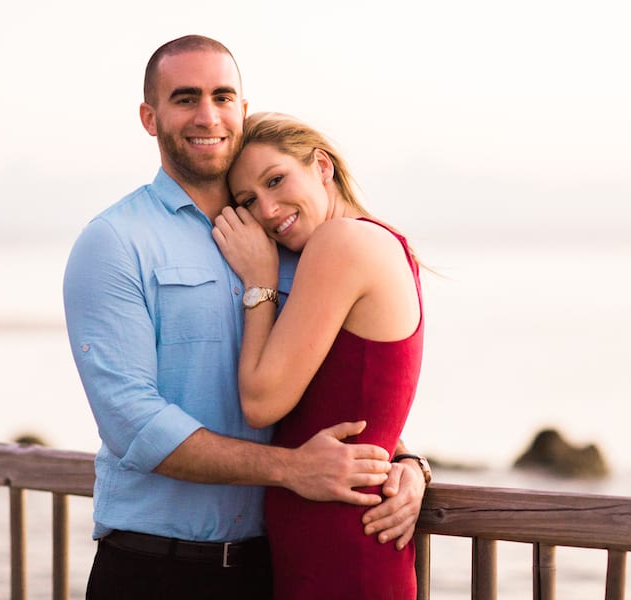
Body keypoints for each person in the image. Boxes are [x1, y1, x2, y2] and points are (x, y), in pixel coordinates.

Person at [62, 35, 429, 600]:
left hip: (272, 567)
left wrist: (405, 461)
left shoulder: (293, 241)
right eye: (185, 98)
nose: (207, 115)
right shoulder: (115, 242)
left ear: (242, 109)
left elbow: (343, 376)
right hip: (155, 569)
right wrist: (289, 469)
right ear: (149, 116)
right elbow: (132, 422)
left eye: (222, 96)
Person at [212, 112, 426, 599]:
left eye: (276, 180)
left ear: (322, 166)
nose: (267, 210)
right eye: (249, 202)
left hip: (344, 551)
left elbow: (262, 402)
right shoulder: (376, 240)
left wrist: (260, 283)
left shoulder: (341, 241)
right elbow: (361, 393)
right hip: (328, 546)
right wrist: (413, 461)